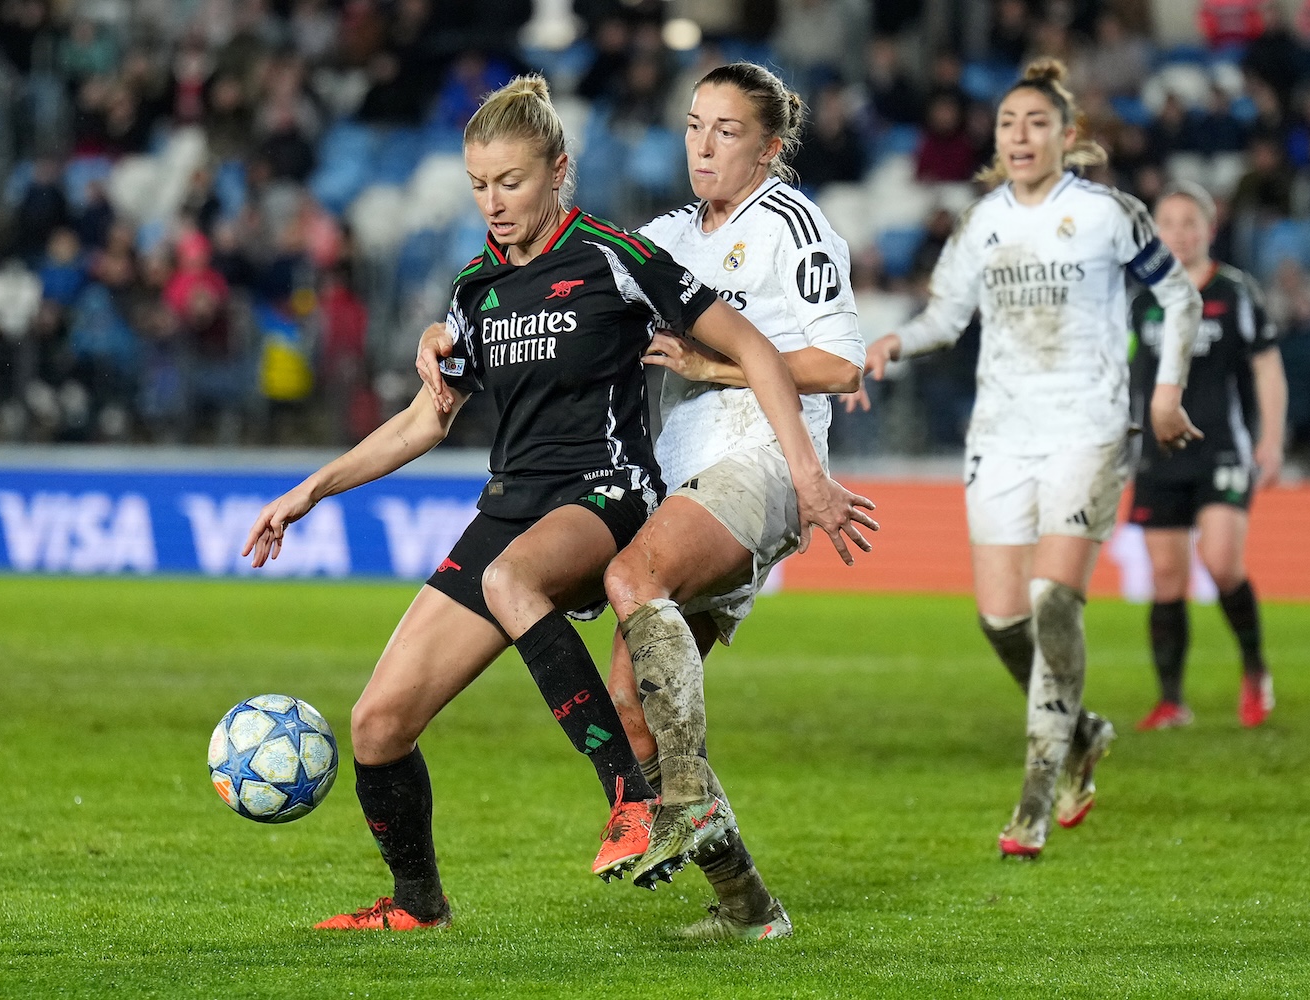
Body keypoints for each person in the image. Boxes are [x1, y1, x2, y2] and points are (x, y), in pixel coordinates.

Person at [246, 76, 862, 932]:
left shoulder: (616, 254)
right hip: (510, 506)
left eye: (512, 182)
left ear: (557, 171)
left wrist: (806, 472)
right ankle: (418, 903)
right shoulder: (474, 288)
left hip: (604, 493)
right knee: (377, 723)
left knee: (510, 582)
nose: (494, 203)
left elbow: (754, 344)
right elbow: (428, 417)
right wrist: (309, 490)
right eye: (479, 185)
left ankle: (629, 803)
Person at [851, 59, 1203, 859]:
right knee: (1002, 618)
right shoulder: (981, 224)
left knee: (1051, 599)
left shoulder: (1110, 214)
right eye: (1008, 122)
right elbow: (947, 315)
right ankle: (1082, 732)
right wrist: (896, 341)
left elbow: (1177, 296)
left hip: (1089, 427)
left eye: (1036, 122)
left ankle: (1036, 800)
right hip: (1001, 435)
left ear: (1067, 137)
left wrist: (1166, 391)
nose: (1019, 135)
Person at [608, 61, 874, 938]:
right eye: (693, 125)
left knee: (632, 573)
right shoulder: (671, 233)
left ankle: (682, 805)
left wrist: (713, 364)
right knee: (630, 703)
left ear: (769, 146)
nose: (704, 144)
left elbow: (838, 364)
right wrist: (450, 323)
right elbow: (573, 280)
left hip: (761, 464)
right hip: (690, 478)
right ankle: (748, 906)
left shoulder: (790, 224)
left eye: (726, 129)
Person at [1127, 182, 1287, 731]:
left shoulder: (1236, 292)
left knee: (1221, 563)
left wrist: (1272, 438)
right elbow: (1126, 375)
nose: (1180, 233)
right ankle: (1172, 700)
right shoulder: (1143, 300)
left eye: (1189, 223)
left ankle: (1254, 667)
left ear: (1208, 229)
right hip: (1158, 455)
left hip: (1221, 446)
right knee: (1167, 577)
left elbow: (1267, 365)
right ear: (1156, 233)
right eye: (1169, 223)